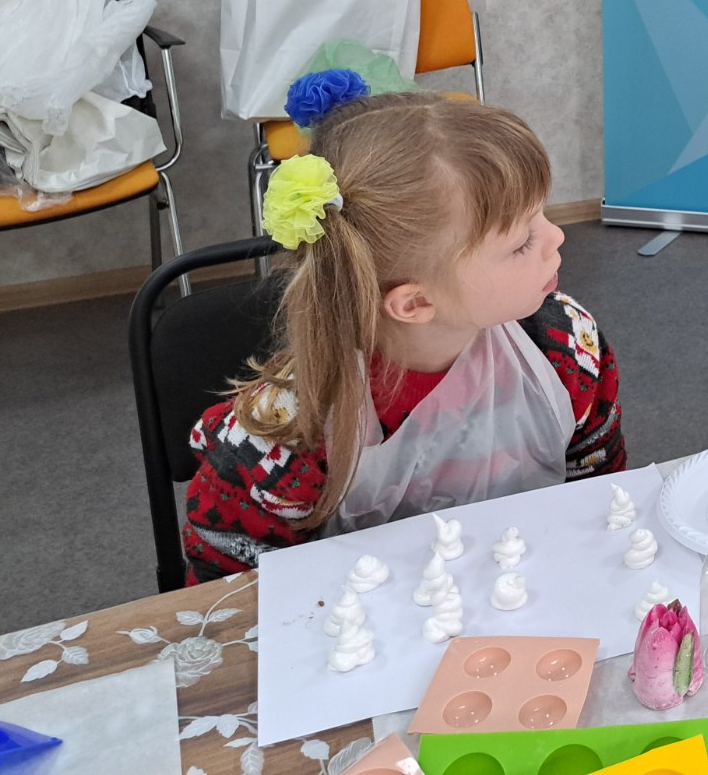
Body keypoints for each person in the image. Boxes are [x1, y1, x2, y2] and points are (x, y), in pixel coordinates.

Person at [183, 84, 625, 581]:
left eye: (542, 213)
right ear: (414, 303)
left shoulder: (565, 345)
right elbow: (227, 592)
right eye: (522, 241)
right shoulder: (286, 434)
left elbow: (603, 502)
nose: (558, 236)